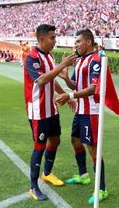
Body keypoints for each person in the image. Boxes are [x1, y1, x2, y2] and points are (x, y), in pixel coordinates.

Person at [24, 24, 78, 201]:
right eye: (52, 38)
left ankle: (46, 173)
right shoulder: (32, 57)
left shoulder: (48, 57)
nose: (55, 40)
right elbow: (41, 80)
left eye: (55, 37)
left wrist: (64, 94)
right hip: (38, 111)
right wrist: (62, 64)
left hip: (51, 108)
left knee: (55, 139)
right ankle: (33, 186)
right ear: (41, 39)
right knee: (39, 146)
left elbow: (52, 79)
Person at [56, 29, 108, 205]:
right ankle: (84, 175)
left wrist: (69, 96)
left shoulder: (96, 60)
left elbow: (93, 89)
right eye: (75, 41)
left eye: (78, 41)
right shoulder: (79, 61)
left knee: (93, 149)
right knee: (75, 140)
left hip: (91, 111)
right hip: (81, 110)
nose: (75, 44)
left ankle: (101, 190)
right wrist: (65, 79)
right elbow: (77, 85)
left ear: (88, 42)